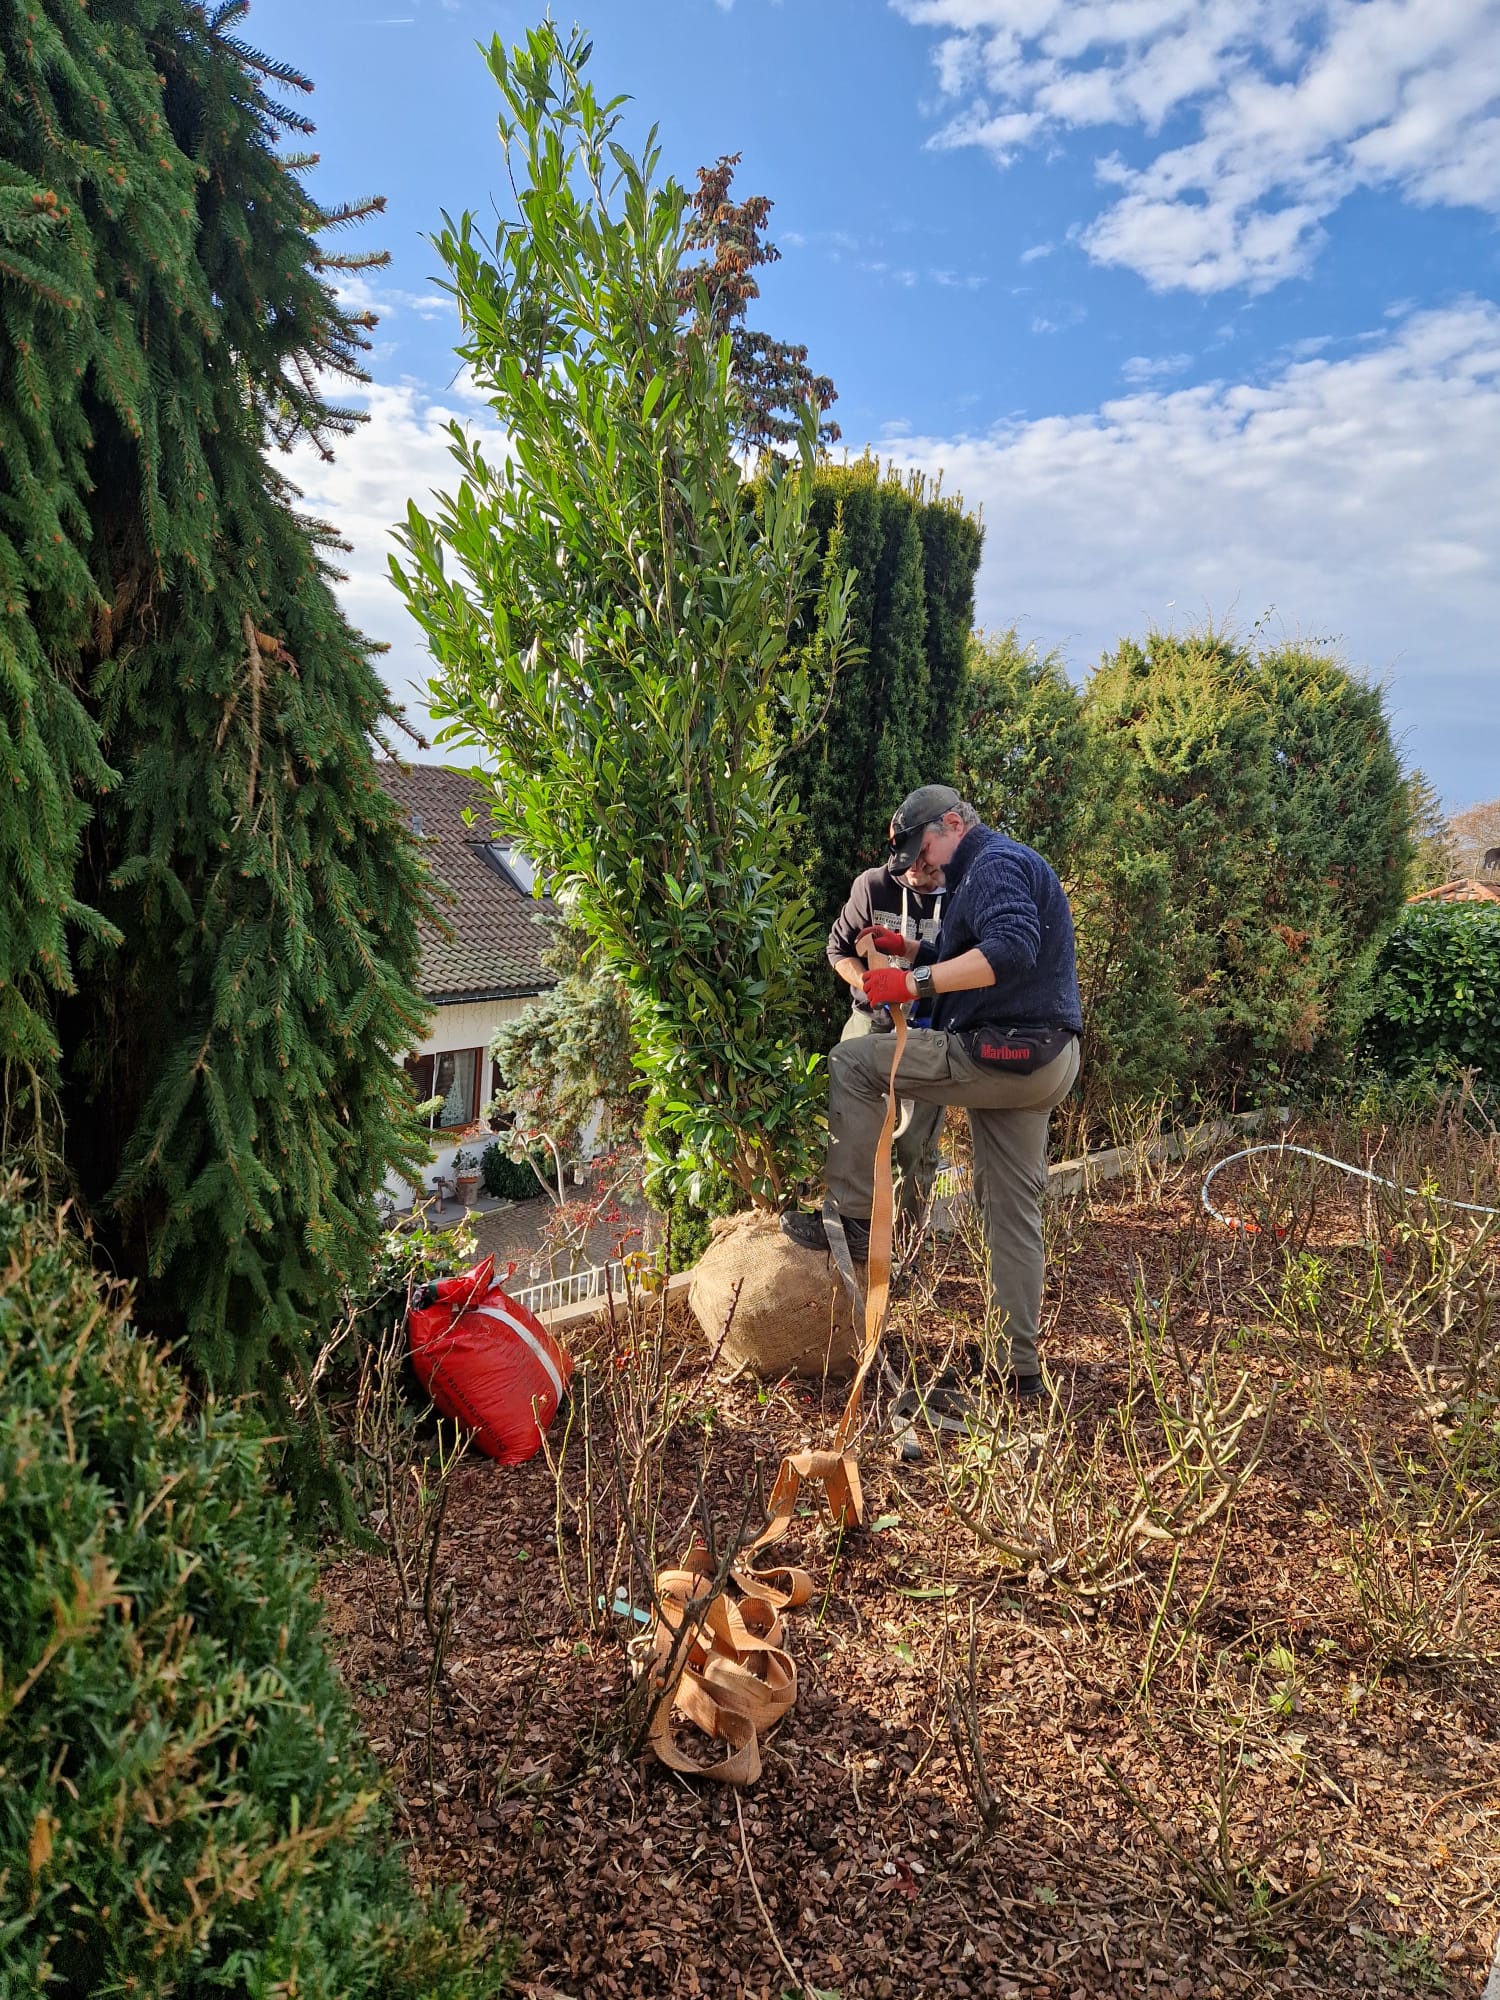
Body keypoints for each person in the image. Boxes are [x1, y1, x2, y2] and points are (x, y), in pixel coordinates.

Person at [783, 784, 1082, 1398]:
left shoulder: (990, 863)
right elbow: (969, 952)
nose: (920, 866)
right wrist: (911, 948)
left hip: (1001, 1050)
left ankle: (855, 1221)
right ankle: (1017, 1369)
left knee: (853, 1062)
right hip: (1046, 1060)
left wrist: (913, 981)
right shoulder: (996, 865)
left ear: (952, 823)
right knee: (1012, 1209)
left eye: (923, 849)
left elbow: (1010, 947)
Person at [825, 849, 947, 1221]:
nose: (912, 868)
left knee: (916, 1146)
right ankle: (853, 1228)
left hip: (929, 1027)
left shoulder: (964, 893)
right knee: (854, 1133)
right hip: (871, 1017)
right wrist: (868, 981)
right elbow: (838, 951)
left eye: (924, 858)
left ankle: (908, 1244)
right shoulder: (872, 885)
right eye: (904, 856)